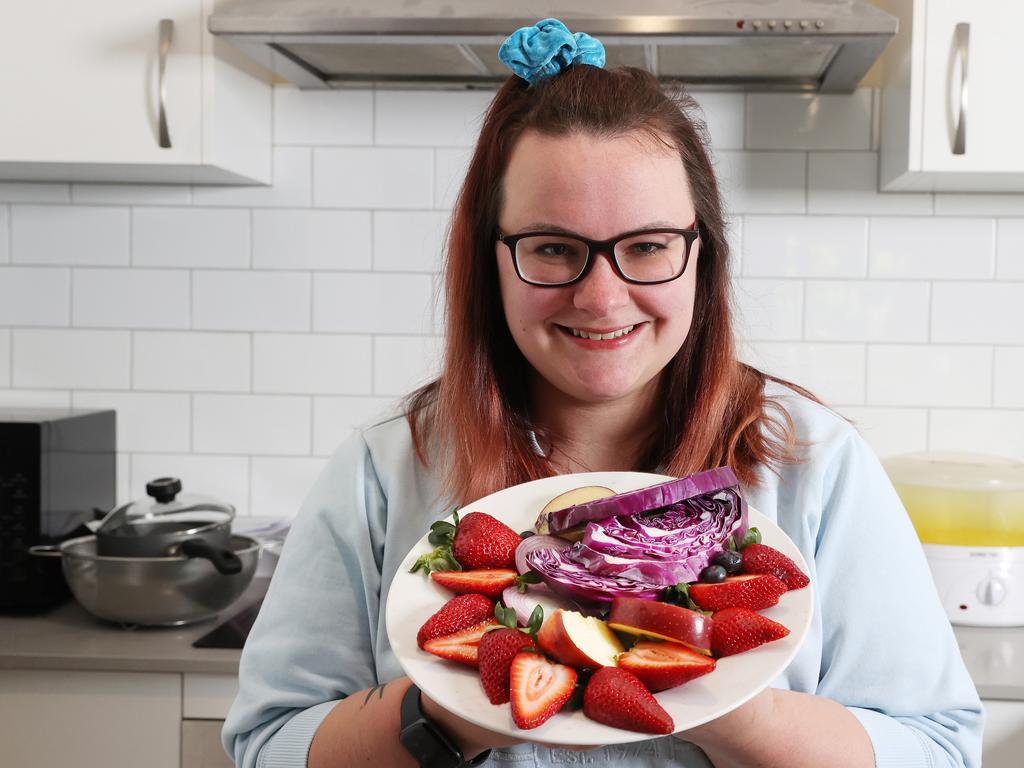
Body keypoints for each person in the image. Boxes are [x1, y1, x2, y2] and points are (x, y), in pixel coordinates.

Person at [222, 18, 984, 768]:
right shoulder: (386, 468)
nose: (601, 297)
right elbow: (267, 746)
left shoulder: (816, 464)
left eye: (647, 246)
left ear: (702, 259)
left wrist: (737, 711)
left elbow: (943, 749)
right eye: (553, 248)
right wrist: (445, 714)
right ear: (489, 261)